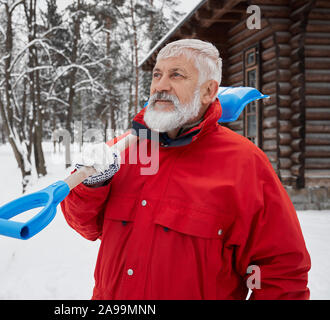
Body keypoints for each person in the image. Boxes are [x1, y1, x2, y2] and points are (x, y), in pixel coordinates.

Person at [60, 39, 311, 300]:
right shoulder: (122, 152)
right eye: (157, 75)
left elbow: (282, 273)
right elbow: (86, 226)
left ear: (208, 91)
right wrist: (92, 185)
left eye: (176, 75)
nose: (160, 85)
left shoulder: (244, 164)